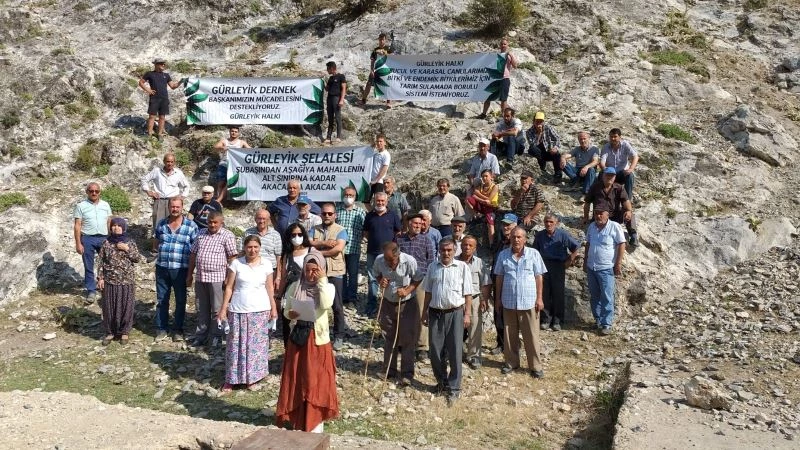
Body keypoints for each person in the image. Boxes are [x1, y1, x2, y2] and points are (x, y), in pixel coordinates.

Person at [276, 253, 339, 433]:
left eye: (315, 270)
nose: (311, 273)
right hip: (299, 338)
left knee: (316, 379)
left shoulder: (328, 287)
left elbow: (326, 304)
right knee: (297, 378)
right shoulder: (295, 286)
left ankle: (316, 420)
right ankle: (298, 418)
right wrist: (291, 315)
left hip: (317, 340)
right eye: (308, 270)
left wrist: (322, 280)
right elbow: (287, 310)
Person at [217, 235, 277, 393]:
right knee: (235, 346)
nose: (252, 250)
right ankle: (231, 380)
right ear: (244, 247)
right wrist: (224, 308)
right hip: (238, 309)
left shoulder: (266, 264)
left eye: (255, 247)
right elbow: (229, 287)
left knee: (255, 347)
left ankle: (252, 378)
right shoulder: (236, 263)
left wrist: (273, 308)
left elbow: (270, 288)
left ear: (260, 247)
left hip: (260, 310)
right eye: (249, 247)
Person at [422, 238, 473, 406]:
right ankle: (441, 382)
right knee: (435, 351)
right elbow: (428, 292)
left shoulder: (462, 267)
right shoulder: (432, 267)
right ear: (439, 250)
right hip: (435, 313)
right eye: (443, 250)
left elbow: (468, 294)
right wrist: (424, 312)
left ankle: (454, 388)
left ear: (454, 250)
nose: (446, 253)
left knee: (455, 351)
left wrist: (467, 314)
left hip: (455, 313)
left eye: (449, 250)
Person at [494, 227, 546, 378]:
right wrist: (497, 299)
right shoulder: (503, 255)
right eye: (513, 237)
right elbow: (499, 277)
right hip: (508, 301)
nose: (516, 239)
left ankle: (535, 366)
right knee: (510, 335)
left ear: (525, 239)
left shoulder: (533, 254)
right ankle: (511, 362)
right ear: (509, 238)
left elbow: (539, 277)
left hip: (529, 301)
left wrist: (540, 298)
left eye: (519, 237)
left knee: (531, 335)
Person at [373, 242, 424, 385]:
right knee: (389, 336)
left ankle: (407, 373)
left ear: (398, 254)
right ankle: (389, 370)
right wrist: (381, 281)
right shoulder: (379, 260)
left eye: (391, 260)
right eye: (386, 259)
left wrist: (407, 290)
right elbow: (376, 274)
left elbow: (418, 277)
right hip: (388, 302)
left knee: (408, 338)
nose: (388, 263)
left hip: (407, 303)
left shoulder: (409, 261)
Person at [187, 211, 238, 347]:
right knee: (201, 308)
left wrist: (229, 278)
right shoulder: (201, 233)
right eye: (210, 221)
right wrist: (189, 274)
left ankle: (216, 336)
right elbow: (193, 253)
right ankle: (201, 335)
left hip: (218, 277)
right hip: (200, 277)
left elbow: (232, 258)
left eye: (215, 222)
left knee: (217, 308)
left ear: (221, 222)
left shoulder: (227, 235)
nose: (212, 224)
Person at [154, 197, 199, 342]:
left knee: (180, 300)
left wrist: (190, 273)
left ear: (182, 207)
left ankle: (178, 329)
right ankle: (161, 328)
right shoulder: (161, 224)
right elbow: (156, 242)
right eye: (172, 207)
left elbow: (195, 250)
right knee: (162, 299)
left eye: (177, 207)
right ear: (168, 207)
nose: (175, 209)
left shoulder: (191, 226)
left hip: (181, 269)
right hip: (162, 268)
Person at [97, 217, 141, 346]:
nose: (116, 228)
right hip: (110, 280)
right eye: (113, 225)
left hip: (126, 280)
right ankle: (110, 332)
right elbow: (100, 261)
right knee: (109, 307)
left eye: (119, 225)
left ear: (124, 227)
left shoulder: (130, 242)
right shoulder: (106, 243)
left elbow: (137, 258)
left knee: (126, 307)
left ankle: (124, 332)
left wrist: (127, 249)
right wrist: (100, 278)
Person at [311, 203, 349, 350]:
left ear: (335, 215)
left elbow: (337, 249)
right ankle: (318, 333)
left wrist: (317, 251)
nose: (327, 216)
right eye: (324, 213)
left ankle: (339, 335)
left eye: (330, 213)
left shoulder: (341, 230)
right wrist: (323, 243)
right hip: (318, 271)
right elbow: (308, 243)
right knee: (316, 304)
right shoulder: (314, 229)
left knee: (337, 306)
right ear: (320, 214)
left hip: (335, 272)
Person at [398, 214, 436, 363]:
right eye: (415, 223)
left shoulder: (426, 240)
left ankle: (422, 347)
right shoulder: (400, 239)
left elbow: (431, 260)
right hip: (403, 280)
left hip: (421, 281)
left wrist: (427, 279)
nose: (418, 226)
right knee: (402, 313)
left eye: (421, 224)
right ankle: (403, 343)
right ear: (409, 223)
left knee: (421, 312)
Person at [533, 214, 580, 331]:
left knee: (558, 294)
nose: (548, 224)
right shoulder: (540, 235)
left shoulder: (563, 234)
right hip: (543, 265)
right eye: (546, 222)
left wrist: (569, 260)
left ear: (556, 223)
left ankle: (557, 321)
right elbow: (534, 252)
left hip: (558, 266)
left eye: (551, 222)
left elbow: (576, 247)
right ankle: (545, 320)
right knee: (544, 293)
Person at [584, 205, 626, 336]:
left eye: (601, 213)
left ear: (608, 215)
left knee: (607, 296)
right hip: (592, 267)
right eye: (596, 213)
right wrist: (585, 261)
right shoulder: (592, 227)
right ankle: (597, 320)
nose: (598, 216)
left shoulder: (614, 227)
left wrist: (618, 263)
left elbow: (621, 244)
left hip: (606, 267)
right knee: (594, 295)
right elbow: (588, 244)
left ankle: (606, 323)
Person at [362, 192, 402, 315]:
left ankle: (387, 305)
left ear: (386, 202)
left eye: (382, 201)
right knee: (373, 278)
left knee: (390, 279)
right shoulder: (369, 216)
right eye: (377, 201)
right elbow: (366, 233)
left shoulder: (393, 215)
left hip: (389, 255)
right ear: (375, 201)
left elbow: (398, 232)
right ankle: (372, 305)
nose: (380, 203)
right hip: (372, 252)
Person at [141, 153, 190, 252]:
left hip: (173, 201)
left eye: (172, 162)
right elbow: (144, 180)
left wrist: (182, 197)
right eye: (168, 161)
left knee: (174, 222)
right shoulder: (157, 171)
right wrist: (149, 192)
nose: (170, 164)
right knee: (158, 224)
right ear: (164, 161)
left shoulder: (178, 173)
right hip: (160, 200)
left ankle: (173, 247)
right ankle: (155, 250)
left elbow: (186, 186)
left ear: (174, 163)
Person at [276, 223, 315, 348]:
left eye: (299, 234)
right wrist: (278, 297)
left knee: (304, 326)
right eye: (293, 235)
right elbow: (283, 277)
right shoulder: (287, 255)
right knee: (287, 325)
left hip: (307, 294)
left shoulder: (311, 251)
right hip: (289, 294)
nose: (297, 237)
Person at [73, 182, 112, 304]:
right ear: (87, 192)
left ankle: (107, 287)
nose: (94, 193)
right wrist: (78, 243)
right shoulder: (81, 206)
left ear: (100, 192)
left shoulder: (105, 205)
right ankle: (91, 290)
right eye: (91, 191)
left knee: (107, 263)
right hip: (88, 238)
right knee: (88, 265)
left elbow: (109, 222)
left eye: (96, 191)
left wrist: (112, 239)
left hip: (104, 238)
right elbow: (77, 225)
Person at [458, 235, 492, 370]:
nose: (467, 247)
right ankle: (457, 353)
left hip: (475, 299)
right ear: (461, 246)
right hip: (457, 299)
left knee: (475, 329)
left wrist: (484, 299)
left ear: (475, 248)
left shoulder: (479, 263)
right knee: (456, 328)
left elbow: (485, 282)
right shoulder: (454, 261)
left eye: (470, 245)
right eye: (465, 245)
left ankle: (474, 356)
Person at [583, 167, 639, 248]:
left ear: (615, 177)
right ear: (603, 176)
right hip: (599, 216)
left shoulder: (619, 188)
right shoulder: (595, 187)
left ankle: (633, 236)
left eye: (612, 176)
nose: (609, 177)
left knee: (629, 214)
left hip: (615, 215)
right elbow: (587, 202)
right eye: (607, 175)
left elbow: (626, 201)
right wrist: (585, 217)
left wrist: (629, 211)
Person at [488, 213, 518, 355]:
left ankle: (513, 343)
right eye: (504, 224)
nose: (506, 227)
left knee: (512, 314)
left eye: (509, 225)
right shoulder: (500, 241)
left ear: (515, 226)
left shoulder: (518, 243)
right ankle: (501, 343)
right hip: (497, 282)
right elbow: (492, 248)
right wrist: (491, 225)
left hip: (511, 283)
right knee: (498, 312)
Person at [335, 186, 366, 305]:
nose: (348, 198)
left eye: (351, 196)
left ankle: (352, 298)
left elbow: (364, 229)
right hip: (339, 249)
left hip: (354, 248)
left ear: (355, 197)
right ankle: (342, 297)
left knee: (353, 274)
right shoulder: (337, 211)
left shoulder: (361, 212)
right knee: (340, 273)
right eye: (346, 195)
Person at [138, 58, 182, 138]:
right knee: (152, 116)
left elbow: (173, 86)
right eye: (161, 64)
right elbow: (141, 82)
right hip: (154, 98)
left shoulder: (166, 75)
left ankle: (160, 134)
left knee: (162, 117)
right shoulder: (149, 74)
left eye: (164, 64)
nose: (163, 65)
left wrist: (180, 82)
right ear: (156, 64)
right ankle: (149, 134)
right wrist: (148, 90)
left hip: (164, 99)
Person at [478, 38, 518, 118]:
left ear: (507, 45)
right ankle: (483, 114)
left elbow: (515, 66)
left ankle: (503, 116)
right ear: (499, 45)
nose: (503, 45)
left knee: (503, 99)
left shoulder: (509, 55)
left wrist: (511, 55)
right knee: (488, 97)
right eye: (502, 44)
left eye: (505, 44)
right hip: (495, 79)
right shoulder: (496, 56)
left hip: (505, 79)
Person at [243, 209, 283, 289]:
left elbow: (279, 257)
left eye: (264, 219)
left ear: (269, 220)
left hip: (270, 272)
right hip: (252, 269)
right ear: (255, 219)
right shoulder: (248, 233)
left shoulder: (275, 234)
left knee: (269, 296)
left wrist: (278, 277)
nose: (261, 221)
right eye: (259, 218)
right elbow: (242, 252)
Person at [213, 126, 251, 203]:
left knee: (229, 183)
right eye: (232, 131)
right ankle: (219, 203)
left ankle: (218, 201)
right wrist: (223, 147)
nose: (234, 133)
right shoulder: (224, 141)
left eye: (235, 131)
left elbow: (251, 150)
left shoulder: (241, 142)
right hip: (224, 163)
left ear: (238, 133)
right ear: (229, 132)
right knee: (220, 183)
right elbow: (215, 147)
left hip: (234, 165)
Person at [600, 128, 639, 199]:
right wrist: (605, 168)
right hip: (610, 172)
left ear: (620, 137)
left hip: (622, 172)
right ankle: (602, 196)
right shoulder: (606, 147)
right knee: (601, 173)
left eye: (615, 136)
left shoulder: (625, 145)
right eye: (611, 136)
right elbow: (602, 161)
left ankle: (627, 199)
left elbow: (635, 156)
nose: (613, 138)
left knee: (630, 175)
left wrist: (631, 169)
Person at [525, 111, 563, 183]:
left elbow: (557, 138)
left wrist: (555, 147)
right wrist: (539, 133)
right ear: (533, 121)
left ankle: (558, 175)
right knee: (532, 149)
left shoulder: (548, 128)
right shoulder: (529, 131)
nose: (539, 123)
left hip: (548, 151)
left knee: (557, 154)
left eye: (541, 121)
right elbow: (533, 144)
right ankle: (542, 166)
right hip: (538, 153)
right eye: (537, 121)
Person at [465, 169, 500, 243]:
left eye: (486, 176)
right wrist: (484, 199)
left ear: (491, 177)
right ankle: (476, 215)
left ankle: (492, 243)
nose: (484, 178)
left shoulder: (495, 187)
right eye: (483, 176)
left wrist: (480, 196)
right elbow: (474, 195)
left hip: (490, 208)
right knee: (468, 200)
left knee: (490, 224)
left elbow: (489, 200)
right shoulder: (481, 186)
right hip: (482, 205)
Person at [360, 32, 392, 108]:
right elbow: (372, 61)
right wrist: (371, 70)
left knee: (388, 85)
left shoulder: (389, 49)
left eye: (383, 40)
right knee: (369, 83)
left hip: (386, 70)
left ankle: (388, 102)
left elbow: (393, 58)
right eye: (380, 39)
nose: (381, 41)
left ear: (385, 40)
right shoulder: (375, 50)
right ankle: (363, 100)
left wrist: (384, 53)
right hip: (376, 70)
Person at [324, 61, 347, 144]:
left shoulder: (341, 76)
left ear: (332, 68)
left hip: (336, 98)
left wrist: (342, 100)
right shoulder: (330, 78)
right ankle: (328, 137)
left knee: (337, 117)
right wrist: (323, 82)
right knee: (330, 118)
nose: (327, 70)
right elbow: (327, 89)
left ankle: (338, 137)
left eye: (328, 69)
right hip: (329, 98)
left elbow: (344, 88)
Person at [367, 134, 391, 207]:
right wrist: (373, 144)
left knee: (378, 202)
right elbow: (368, 149)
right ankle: (372, 215)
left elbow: (385, 168)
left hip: (379, 182)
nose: (379, 143)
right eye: (377, 141)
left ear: (385, 143)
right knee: (365, 201)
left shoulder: (386, 154)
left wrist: (376, 179)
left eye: (381, 141)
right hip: (370, 181)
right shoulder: (375, 153)